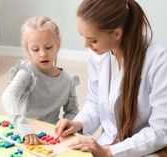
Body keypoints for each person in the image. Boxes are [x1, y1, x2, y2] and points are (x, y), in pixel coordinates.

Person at [55, 0, 167, 156]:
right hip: (110, 141)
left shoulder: (159, 60)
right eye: (83, 37)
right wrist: (78, 123)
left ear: (117, 33)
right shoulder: (98, 54)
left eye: (93, 40)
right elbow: (95, 101)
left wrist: (109, 152)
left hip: (147, 147)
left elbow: (161, 130)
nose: (86, 45)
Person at [2, 17, 79, 145]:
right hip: (25, 134)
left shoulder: (67, 81)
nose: (43, 54)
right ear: (27, 49)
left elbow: (72, 111)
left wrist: (67, 125)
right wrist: (24, 128)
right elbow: (8, 96)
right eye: (35, 49)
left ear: (58, 44)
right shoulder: (26, 74)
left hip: (52, 136)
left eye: (48, 47)